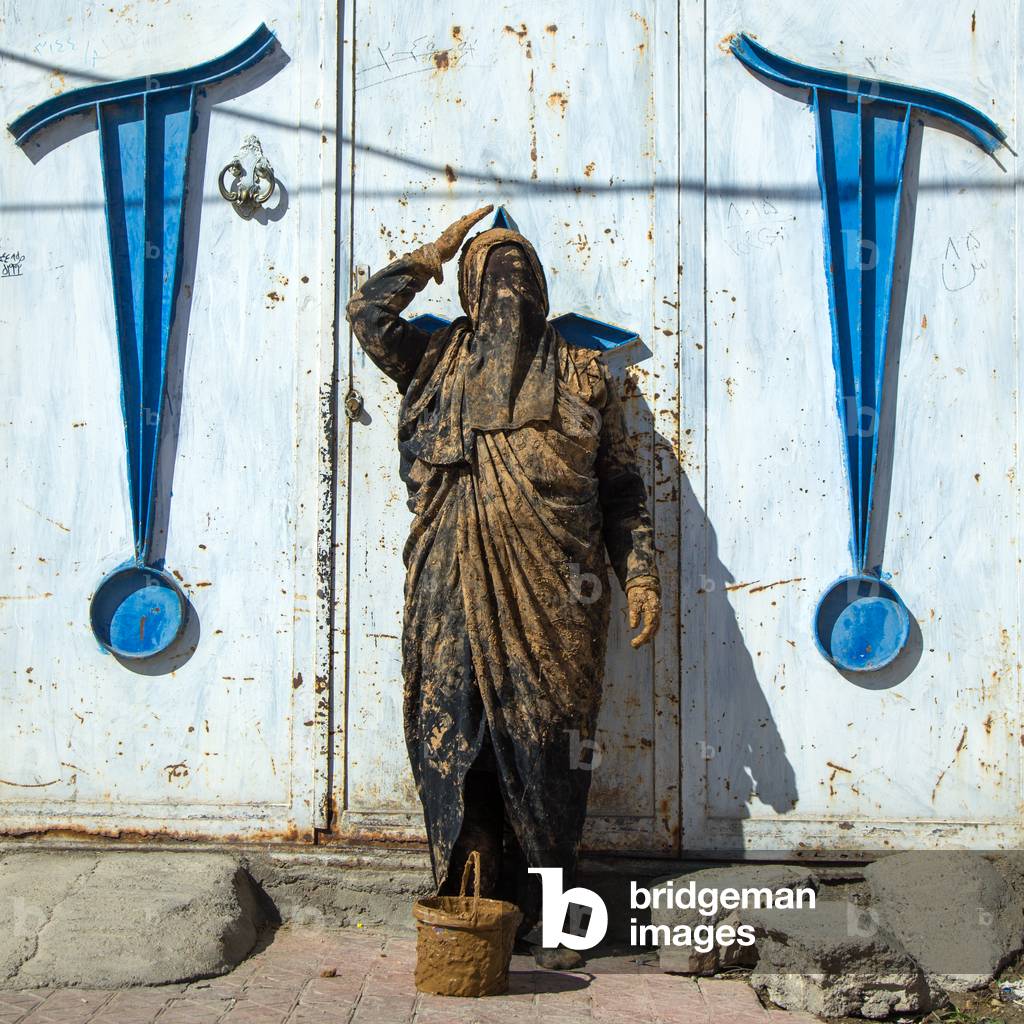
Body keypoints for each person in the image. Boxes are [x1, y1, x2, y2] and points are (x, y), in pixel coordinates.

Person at [346, 205, 661, 968]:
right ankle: (469, 900)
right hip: (446, 587)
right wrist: (433, 251)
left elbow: (621, 490)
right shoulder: (429, 359)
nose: (508, 293)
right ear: (467, 294)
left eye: (522, 276)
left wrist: (641, 573)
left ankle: (558, 924)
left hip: (556, 603)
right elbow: (366, 312)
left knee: (549, 755)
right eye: (490, 278)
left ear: (543, 291)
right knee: (455, 745)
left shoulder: (587, 374)